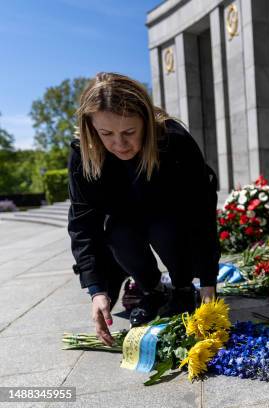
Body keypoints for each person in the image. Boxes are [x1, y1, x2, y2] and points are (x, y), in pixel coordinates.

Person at [67, 72, 220, 346]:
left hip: (172, 220)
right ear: (91, 129)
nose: (119, 144)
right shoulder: (82, 154)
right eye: (106, 134)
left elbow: (201, 213)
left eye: (129, 132)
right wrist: (96, 290)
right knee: (118, 232)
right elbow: (83, 224)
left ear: (146, 122)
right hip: (124, 226)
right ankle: (153, 290)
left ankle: (183, 288)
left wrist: (208, 284)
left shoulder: (174, 142)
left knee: (164, 228)